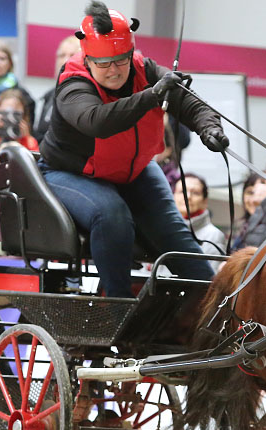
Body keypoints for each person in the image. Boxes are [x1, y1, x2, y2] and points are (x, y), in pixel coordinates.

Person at [38, 1, 225, 298]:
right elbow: (97, 121)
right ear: (87, 58)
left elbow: (187, 102)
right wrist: (151, 96)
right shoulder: (73, 82)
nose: (114, 70)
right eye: (104, 63)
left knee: (176, 236)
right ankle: (117, 306)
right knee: (111, 214)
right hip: (71, 172)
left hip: (133, 169)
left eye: (121, 60)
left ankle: (214, 311)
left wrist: (209, 127)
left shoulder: (144, 69)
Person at [33, 35, 81, 143]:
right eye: (61, 55)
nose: (65, 60)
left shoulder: (86, 93)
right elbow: (41, 132)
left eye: (72, 55)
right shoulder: (50, 95)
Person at [173, 173, 226, 266]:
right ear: (172, 196)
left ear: (205, 201)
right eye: (182, 191)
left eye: (195, 193)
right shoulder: (161, 228)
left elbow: (210, 277)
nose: (188, 196)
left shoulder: (213, 236)